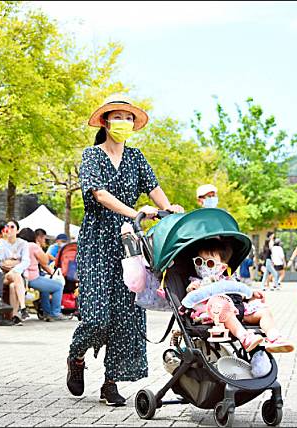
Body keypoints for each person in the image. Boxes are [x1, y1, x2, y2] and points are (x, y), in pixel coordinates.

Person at [66, 94, 184, 406]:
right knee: (95, 315)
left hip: (129, 245)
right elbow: (99, 194)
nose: (125, 123)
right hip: (96, 242)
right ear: (105, 122)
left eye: (129, 118)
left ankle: (110, 382)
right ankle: (76, 356)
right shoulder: (92, 155)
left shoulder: (136, 157)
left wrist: (168, 207)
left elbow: (155, 189)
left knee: (126, 314)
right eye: (118, 117)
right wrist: (134, 213)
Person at [18, 227, 66, 321]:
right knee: (58, 286)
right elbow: (45, 261)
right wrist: (39, 247)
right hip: (32, 277)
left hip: (21, 277)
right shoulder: (33, 246)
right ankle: (55, 313)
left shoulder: (19, 245)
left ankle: (46, 313)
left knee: (45, 288)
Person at [0, 219, 31, 325]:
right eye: (7, 227)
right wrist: (14, 261)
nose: (9, 229)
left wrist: (14, 266)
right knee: (15, 275)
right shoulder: (1, 242)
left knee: (13, 285)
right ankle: (23, 308)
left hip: (17, 275)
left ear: (17, 231)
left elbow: (26, 261)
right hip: (3, 275)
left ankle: (15, 316)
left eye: (12, 227)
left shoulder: (23, 243)